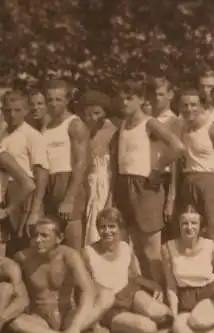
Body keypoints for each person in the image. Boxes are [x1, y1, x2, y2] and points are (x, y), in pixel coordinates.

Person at [113, 80, 185, 287]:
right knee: (132, 245)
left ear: (142, 100)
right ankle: (149, 289)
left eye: (130, 98)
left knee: (151, 248)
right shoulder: (123, 125)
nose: (124, 102)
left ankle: (165, 292)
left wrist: (157, 168)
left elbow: (178, 147)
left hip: (144, 186)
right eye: (122, 98)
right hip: (124, 184)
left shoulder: (150, 123)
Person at [10, 216, 113, 333]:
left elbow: (88, 291)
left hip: (68, 316)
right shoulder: (23, 258)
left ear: (59, 238)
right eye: (35, 235)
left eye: (44, 235)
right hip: (40, 319)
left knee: (107, 295)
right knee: (17, 323)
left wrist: (75, 326)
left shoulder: (69, 256)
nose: (38, 240)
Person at [82, 208, 171, 333]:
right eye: (103, 227)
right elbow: (85, 290)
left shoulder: (125, 247)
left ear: (119, 228)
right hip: (110, 305)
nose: (107, 231)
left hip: (130, 293)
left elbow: (132, 275)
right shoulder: (88, 253)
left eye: (112, 226)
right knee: (147, 327)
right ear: (97, 229)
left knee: (161, 313)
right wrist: (95, 323)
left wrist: (153, 285)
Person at [178, 88, 214, 250]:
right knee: (192, 233)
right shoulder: (183, 129)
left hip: (210, 183)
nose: (189, 109)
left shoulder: (213, 130)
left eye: (193, 105)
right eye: (185, 105)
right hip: (189, 182)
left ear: (203, 106)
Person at [161, 205, 214, 333]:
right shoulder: (167, 249)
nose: (189, 227)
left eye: (194, 223)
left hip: (210, 294)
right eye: (185, 223)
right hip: (185, 299)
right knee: (179, 328)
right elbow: (171, 286)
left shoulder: (211, 247)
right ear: (179, 225)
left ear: (200, 226)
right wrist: (175, 316)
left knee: (197, 321)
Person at [42, 79, 90, 250]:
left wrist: (70, 199)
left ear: (67, 100)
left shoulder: (75, 124)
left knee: (73, 245)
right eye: (50, 99)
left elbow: (81, 163)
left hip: (68, 183)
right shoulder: (46, 126)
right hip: (49, 183)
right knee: (53, 244)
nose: (53, 104)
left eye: (58, 99)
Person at [1, 91, 49, 257]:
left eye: (17, 110)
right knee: (10, 247)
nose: (12, 114)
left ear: (26, 110)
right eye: (7, 110)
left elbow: (41, 174)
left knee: (28, 245)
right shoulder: (3, 134)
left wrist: (35, 210)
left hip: (25, 194)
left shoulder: (32, 135)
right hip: (5, 192)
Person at [80, 90, 117, 245]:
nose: (93, 118)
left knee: (102, 221)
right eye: (88, 114)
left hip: (104, 184)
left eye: (97, 113)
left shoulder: (113, 131)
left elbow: (115, 168)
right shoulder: (85, 131)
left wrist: (111, 196)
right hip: (88, 184)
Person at [149, 76, 181, 233]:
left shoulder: (174, 121)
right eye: (154, 94)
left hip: (164, 178)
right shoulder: (147, 119)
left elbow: (175, 161)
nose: (157, 99)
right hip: (146, 176)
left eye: (161, 94)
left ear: (170, 95)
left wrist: (171, 197)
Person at [0, 256, 30, 331]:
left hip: (11, 308)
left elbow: (22, 300)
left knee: (6, 288)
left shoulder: (10, 268)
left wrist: (2, 317)